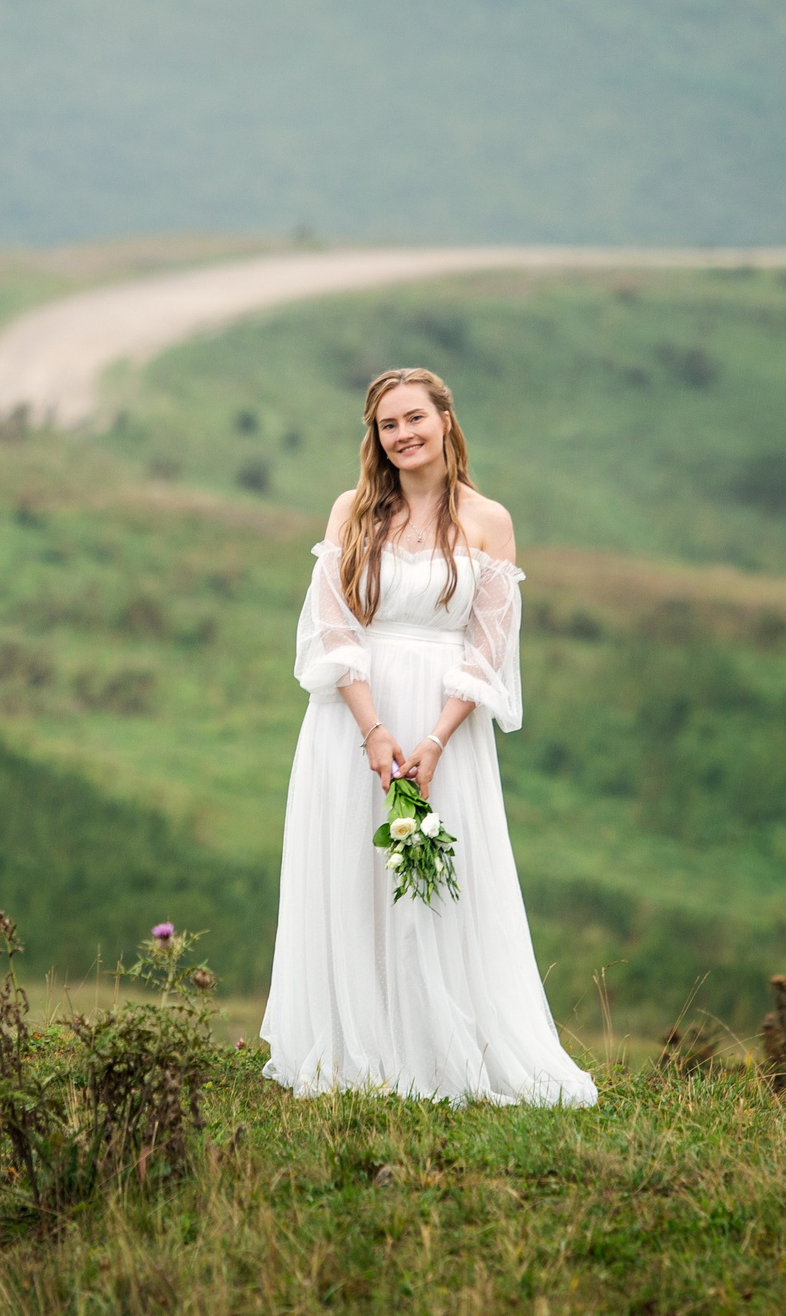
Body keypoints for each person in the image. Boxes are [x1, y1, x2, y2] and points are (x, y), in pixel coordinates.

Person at [257, 367, 597, 1105]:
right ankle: (358, 1046)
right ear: (375, 437)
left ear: (445, 420)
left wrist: (437, 739)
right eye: (388, 424)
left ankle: (440, 1048)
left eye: (415, 417)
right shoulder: (353, 509)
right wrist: (373, 729)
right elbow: (333, 626)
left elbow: (488, 646)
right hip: (354, 717)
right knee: (354, 874)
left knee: (439, 883)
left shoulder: (487, 519)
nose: (403, 433)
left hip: (446, 723)